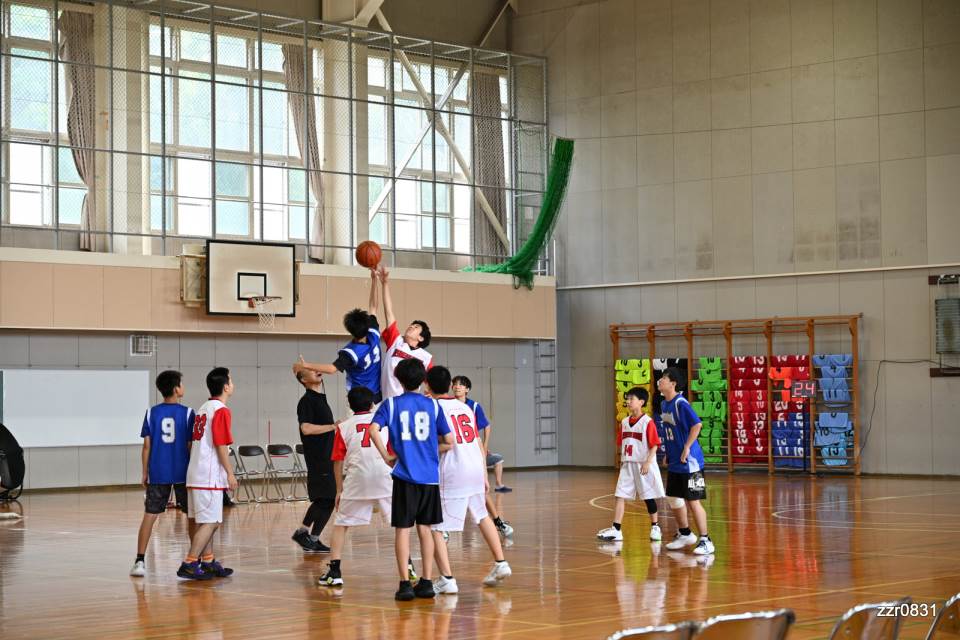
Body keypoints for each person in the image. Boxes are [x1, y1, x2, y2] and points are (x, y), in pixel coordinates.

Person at [367, 359, 452, 601]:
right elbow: (449, 441)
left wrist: (386, 456)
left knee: (402, 530)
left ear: (398, 379)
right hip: (429, 478)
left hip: (404, 476)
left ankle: (405, 584)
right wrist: (428, 450)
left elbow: (373, 429)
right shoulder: (434, 406)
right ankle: (426, 582)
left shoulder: (391, 405)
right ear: (423, 380)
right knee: (425, 529)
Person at [427, 366, 511, 594]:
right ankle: (501, 563)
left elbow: (442, 442)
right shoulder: (464, 407)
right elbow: (475, 440)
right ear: (448, 386)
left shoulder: (432, 407)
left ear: (427, 385)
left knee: (434, 526)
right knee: (482, 516)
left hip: (453, 469)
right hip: (474, 466)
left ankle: (446, 578)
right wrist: (484, 473)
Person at [317, 386, 393, 587]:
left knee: (341, 525)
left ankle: (335, 571)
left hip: (357, 478)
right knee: (400, 524)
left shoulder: (344, 427)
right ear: (372, 404)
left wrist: (339, 491)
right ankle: (409, 566)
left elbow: (337, 461)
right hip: (385, 475)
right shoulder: (384, 422)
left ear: (349, 405)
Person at [130, 370, 195, 577]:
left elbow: (147, 447)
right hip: (183, 472)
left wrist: (144, 472)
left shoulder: (151, 413)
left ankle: (139, 561)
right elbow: (189, 446)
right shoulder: (187, 413)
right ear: (177, 389)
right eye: (182, 384)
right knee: (191, 516)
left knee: (150, 515)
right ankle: (195, 559)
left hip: (158, 471)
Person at [178, 367, 238, 580]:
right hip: (208, 475)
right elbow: (221, 444)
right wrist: (230, 474)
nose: (233, 383)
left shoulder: (203, 408)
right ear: (225, 386)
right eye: (231, 380)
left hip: (195, 473)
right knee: (212, 521)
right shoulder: (220, 410)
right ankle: (190, 562)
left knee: (204, 520)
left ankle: (209, 561)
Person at [294, 270, 384, 402]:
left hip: (358, 399)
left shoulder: (350, 352)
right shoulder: (374, 333)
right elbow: (374, 307)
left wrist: (307, 365)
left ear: (350, 330)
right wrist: (374, 280)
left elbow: (331, 369)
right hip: (377, 395)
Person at [657, 368, 714, 556]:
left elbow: (697, 425)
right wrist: (668, 452)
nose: (660, 381)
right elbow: (670, 432)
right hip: (674, 460)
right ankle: (685, 533)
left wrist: (687, 446)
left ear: (672, 383)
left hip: (690, 462)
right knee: (673, 497)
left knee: (693, 501)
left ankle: (706, 540)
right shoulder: (664, 404)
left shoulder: (680, 403)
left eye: (664, 378)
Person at [596, 386, 665, 543]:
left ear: (641, 402)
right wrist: (623, 459)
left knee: (648, 496)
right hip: (628, 464)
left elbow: (655, 444)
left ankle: (655, 526)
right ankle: (616, 529)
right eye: (627, 399)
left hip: (643, 464)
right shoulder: (625, 422)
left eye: (631, 399)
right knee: (620, 495)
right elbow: (622, 442)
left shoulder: (648, 422)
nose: (628, 401)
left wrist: (648, 461)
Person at [452, 375, 514, 537]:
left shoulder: (473, 407)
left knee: (481, 492)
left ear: (467, 389)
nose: (457, 387)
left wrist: (484, 447)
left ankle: (498, 522)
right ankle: (444, 529)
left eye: (460, 385)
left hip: (470, 454)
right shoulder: (448, 404)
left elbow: (486, 426)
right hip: (454, 455)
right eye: (454, 384)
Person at [291, 369, 339, 553]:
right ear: (303, 379)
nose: (317, 371)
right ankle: (303, 532)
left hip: (328, 455)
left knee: (327, 499)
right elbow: (306, 428)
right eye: (310, 371)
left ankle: (312, 537)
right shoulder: (306, 401)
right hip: (318, 457)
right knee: (324, 498)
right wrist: (333, 426)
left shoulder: (320, 398)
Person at [376, 266, 433, 399]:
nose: (411, 326)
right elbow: (388, 312)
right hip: (387, 403)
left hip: (409, 405)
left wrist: (431, 395)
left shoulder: (426, 357)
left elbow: (434, 383)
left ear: (421, 338)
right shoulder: (396, 341)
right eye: (411, 325)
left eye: (416, 327)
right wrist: (384, 284)